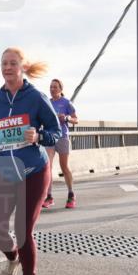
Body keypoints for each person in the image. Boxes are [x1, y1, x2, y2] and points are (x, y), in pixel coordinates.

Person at [0, 47, 61, 275]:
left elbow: (55, 131)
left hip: (33, 171)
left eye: (12, 63)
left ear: (22, 67)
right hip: (4, 170)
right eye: (4, 63)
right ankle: (12, 258)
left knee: (23, 228)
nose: (7, 67)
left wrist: (39, 136)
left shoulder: (37, 98)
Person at [44, 79, 78, 209]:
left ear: (60, 89)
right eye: (51, 87)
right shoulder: (47, 102)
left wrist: (67, 118)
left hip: (63, 136)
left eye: (55, 87)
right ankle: (49, 197)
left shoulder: (66, 103)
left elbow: (76, 119)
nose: (52, 89)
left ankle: (71, 194)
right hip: (50, 136)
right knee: (48, 167)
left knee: (64, 167)